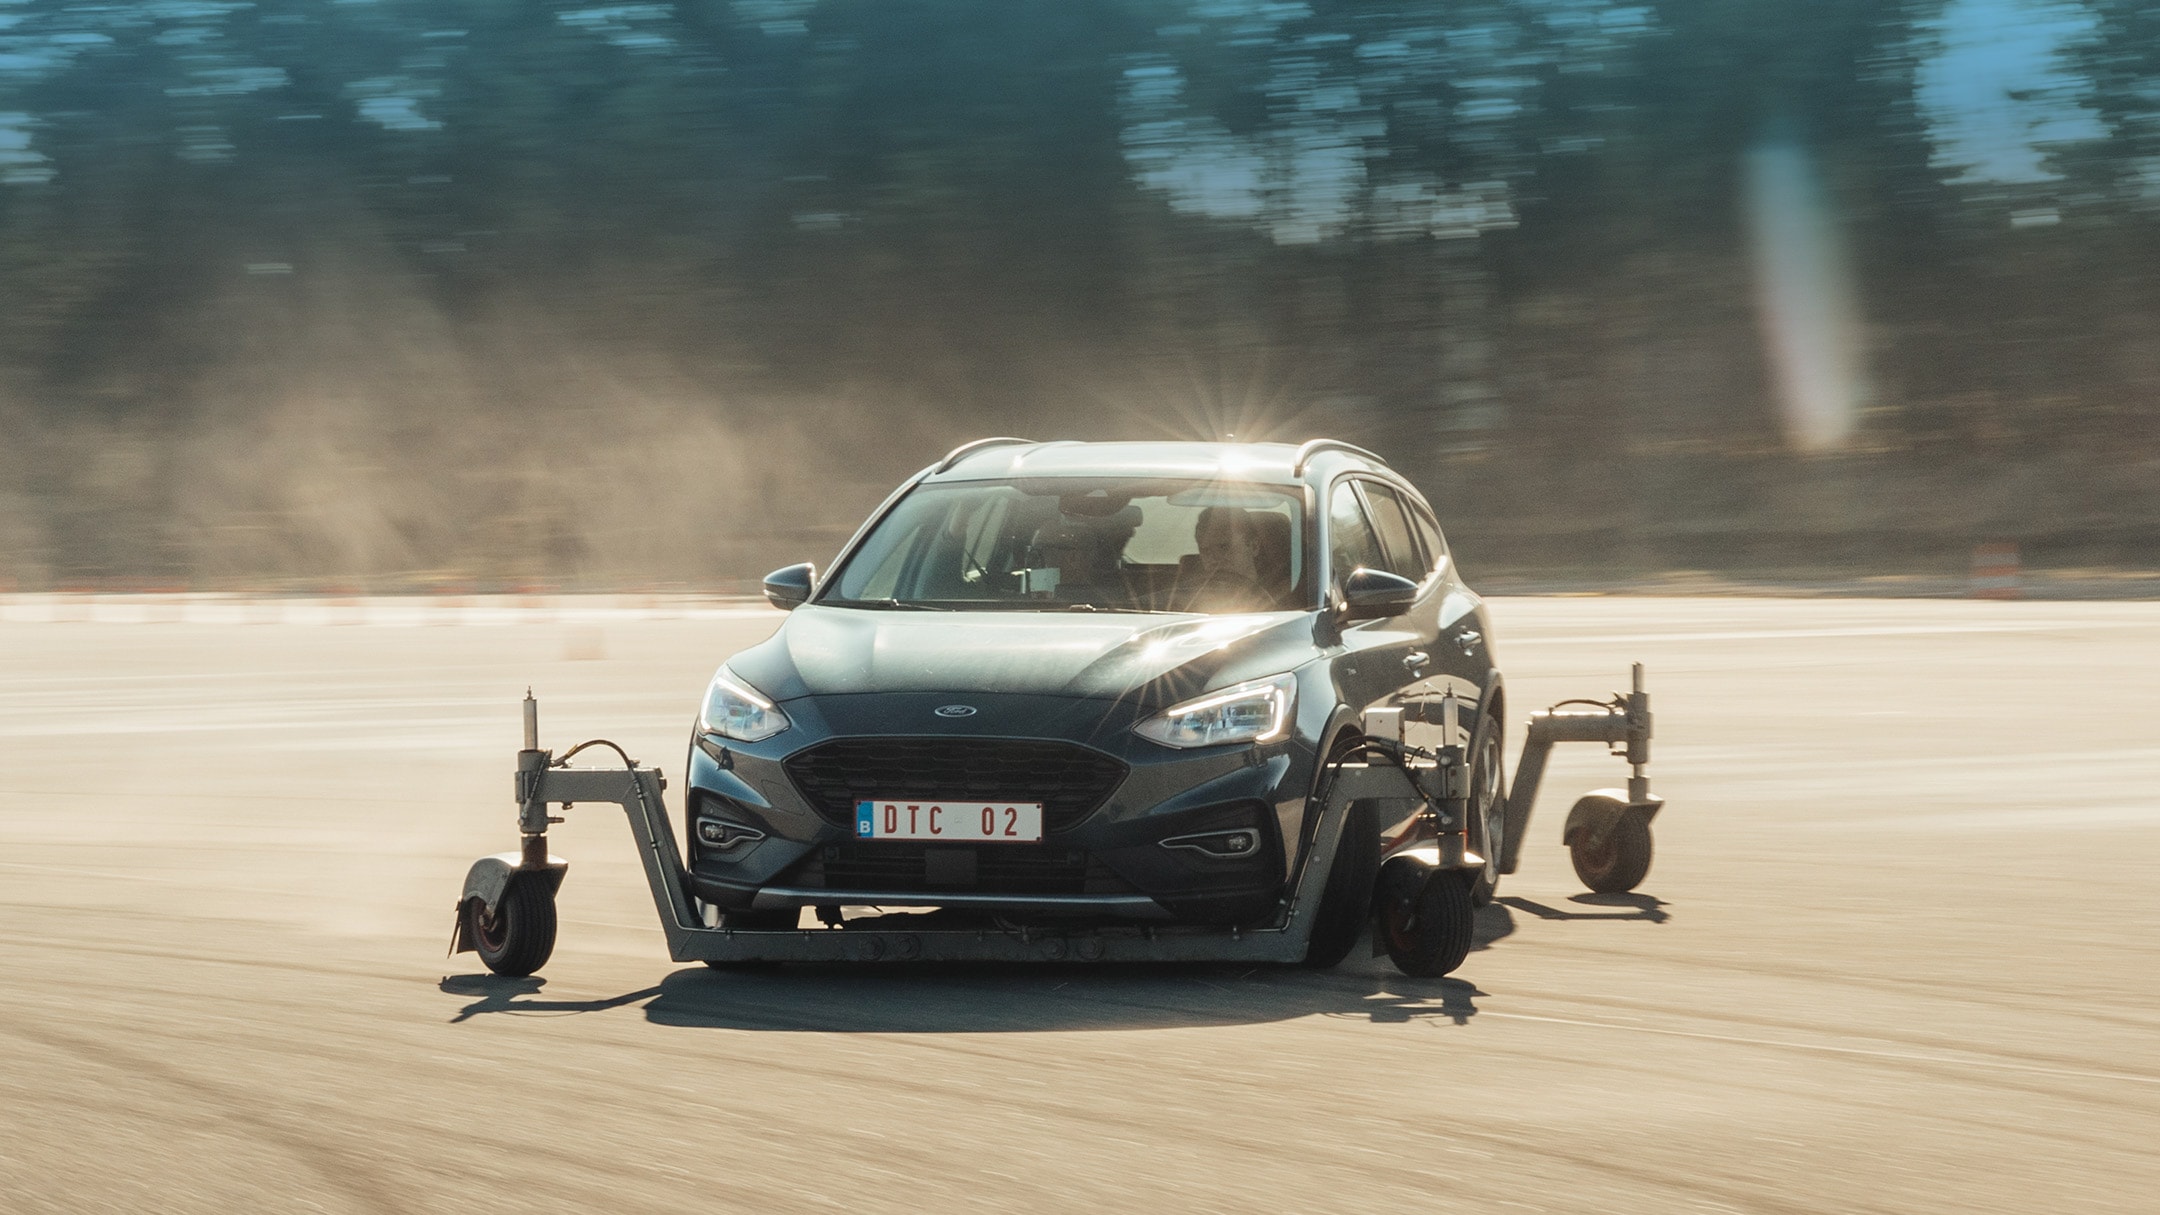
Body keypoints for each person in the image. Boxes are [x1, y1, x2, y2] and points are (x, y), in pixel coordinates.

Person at [1174, 506, 1274, 612]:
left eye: (1224, 547)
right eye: (1205, 550)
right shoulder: (1183, 599)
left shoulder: (1284, 597)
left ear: (1254, 546)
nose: (1214, 558)